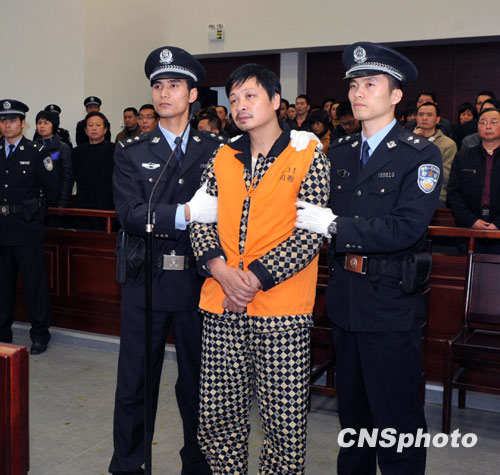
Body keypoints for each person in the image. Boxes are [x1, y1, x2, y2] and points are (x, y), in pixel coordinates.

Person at [295, 42, 442, 475]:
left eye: (371, 84)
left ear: (396, 95)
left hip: (390, 301)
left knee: (397, 422)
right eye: (354, 85)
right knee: (354, 422)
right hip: (346, 300)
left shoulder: (420, 153)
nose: (358, 92)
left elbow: (405, 228)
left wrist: (335, 225)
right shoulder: (339, 152)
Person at [190, 63, 329, 474]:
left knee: (284, 426)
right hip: (221, 305)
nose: (240, 106)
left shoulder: (307, 155)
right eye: (233, 99)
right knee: (218, 418)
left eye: (250, 96)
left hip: (282, 312)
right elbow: (201, 219)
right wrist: (221, 271)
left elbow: (310, 233)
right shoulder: (223, 155)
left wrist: (250, 280)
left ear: (275, 101)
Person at [109, 45, 225, 475]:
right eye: (157, 85)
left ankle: (199, 465)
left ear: (192, 94)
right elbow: (130, 214)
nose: (163, 93)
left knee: (199, 384)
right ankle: (129, 465)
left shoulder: (218, 149)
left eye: (174, 85)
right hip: (147, 279)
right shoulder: (131, 149)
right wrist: (187, 213)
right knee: (135, 382)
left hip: (201, 280)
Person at [0, 99, 59, 355]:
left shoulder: (36, 152)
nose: (7, 125)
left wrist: (35, 211)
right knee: (2, 288)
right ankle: (3, 335)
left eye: (12, 120)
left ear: (22, 123)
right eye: (3, 120)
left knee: (34, 285)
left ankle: (40, 335)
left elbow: (53, 190)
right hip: (2, 231)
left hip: (27, 230)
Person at [448, 107, 500, 233]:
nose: (488, 126)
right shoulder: (463, 157)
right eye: (483, 122)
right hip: (468, 226)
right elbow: (453, 193)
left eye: (494, 122)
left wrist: (498, 224)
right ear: (477, 127)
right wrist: (472, 221)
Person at [414, 102, 457, 207]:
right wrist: (413, 140)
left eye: (429, 115)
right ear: (416, 118)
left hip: (436, 196)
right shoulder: (408, 141)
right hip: (409, 194)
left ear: (437, 119)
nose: (424, 118)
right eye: (421, 114)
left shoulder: (448, 144)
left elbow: (446, 176)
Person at [72, 111, 115, 212]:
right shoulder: (77, 152)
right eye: (90, 125)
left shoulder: (115, 150)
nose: (94, 128)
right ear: (86, 130)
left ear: (105, 129)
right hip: (83, 204)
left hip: (107, 204)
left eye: (98, 125)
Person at [35, 110, 73, 207]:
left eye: (46, 123)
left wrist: (63, 202)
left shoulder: (63, 147)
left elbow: (67, 177)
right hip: (35, 201)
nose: (42, 126)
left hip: (56, 200)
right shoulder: (32, 147)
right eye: (39, 123)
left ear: (54, 125)